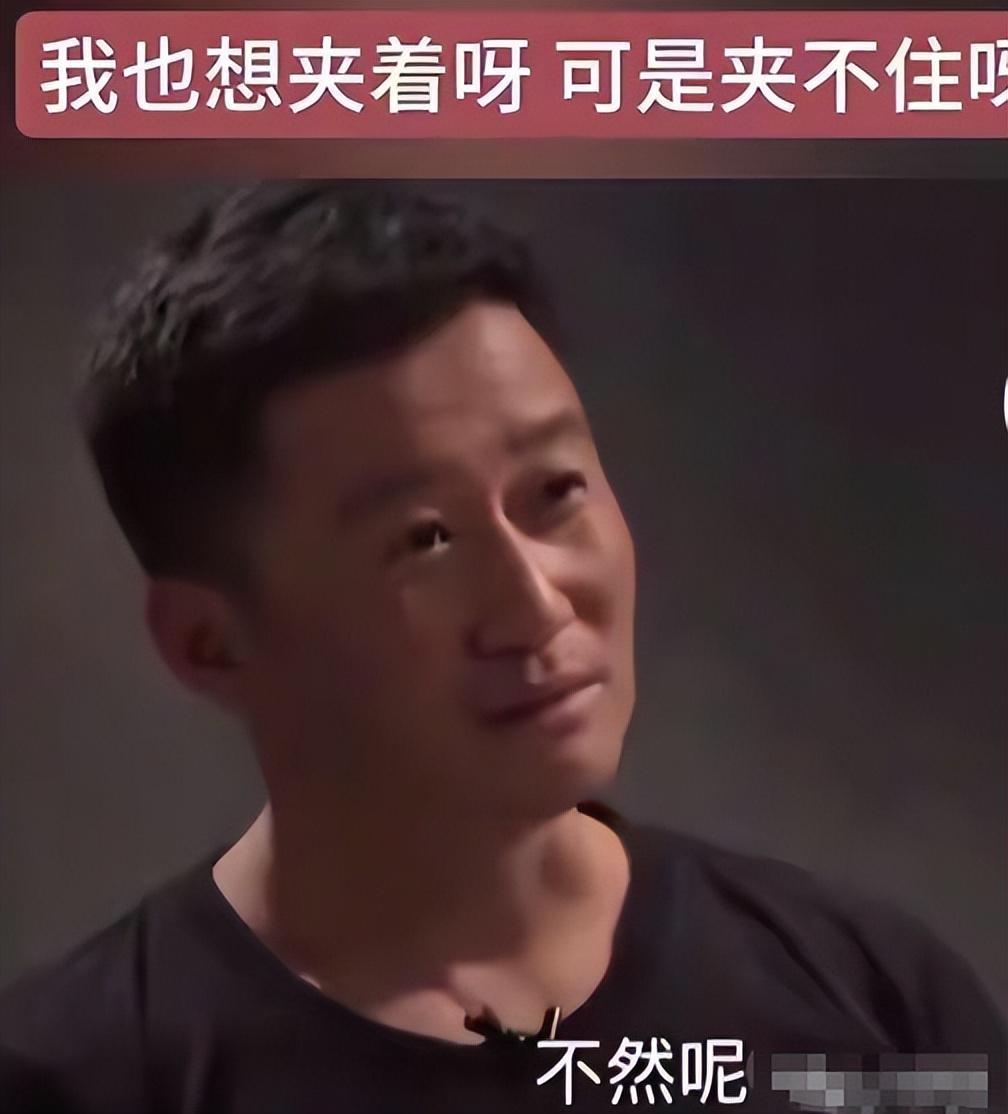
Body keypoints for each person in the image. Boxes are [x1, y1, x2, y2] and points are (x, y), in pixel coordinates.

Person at [0, 183, 1003, 1114]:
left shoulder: (872, 1000)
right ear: (210, 644)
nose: (534, 603)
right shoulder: (77, 1076)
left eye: (554, 492)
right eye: (423, 540)